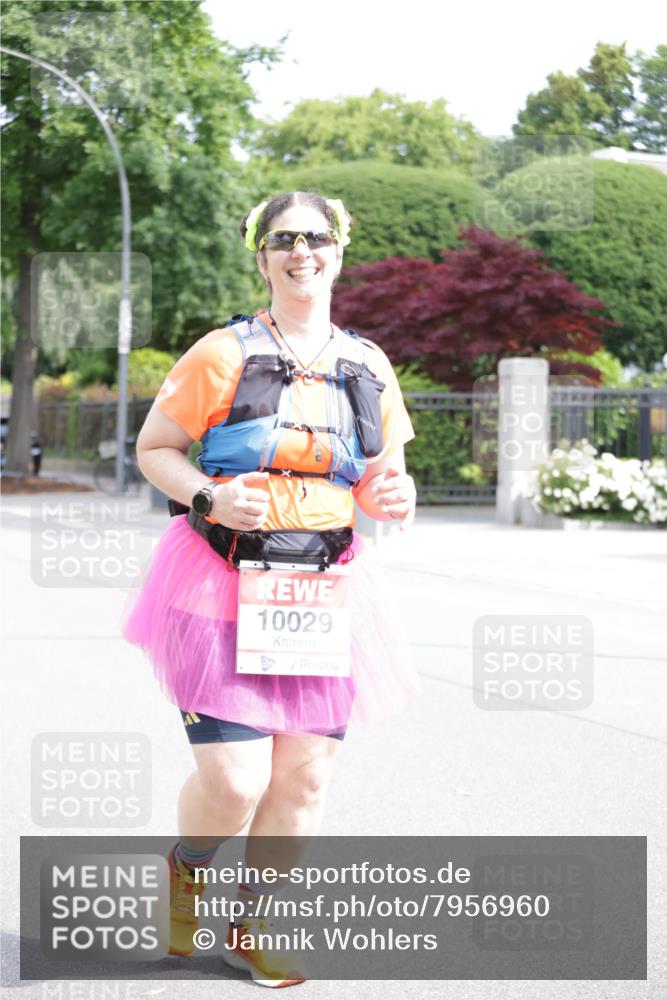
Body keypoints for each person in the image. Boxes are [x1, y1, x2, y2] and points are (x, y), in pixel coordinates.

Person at [124, 191, 420, 987]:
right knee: (234, 782)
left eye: (315, 238)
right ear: (260, 254)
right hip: (219, 583)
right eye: (282, 239)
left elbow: (385, 476)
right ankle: (188, 867)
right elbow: (156, 448)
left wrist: (393, 495)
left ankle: (253, 924)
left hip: (323, 595)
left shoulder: (367, 363)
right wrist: (208, 495)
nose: (301, 252)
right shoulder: (220, 353)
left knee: (305, 776)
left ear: (337, 250)